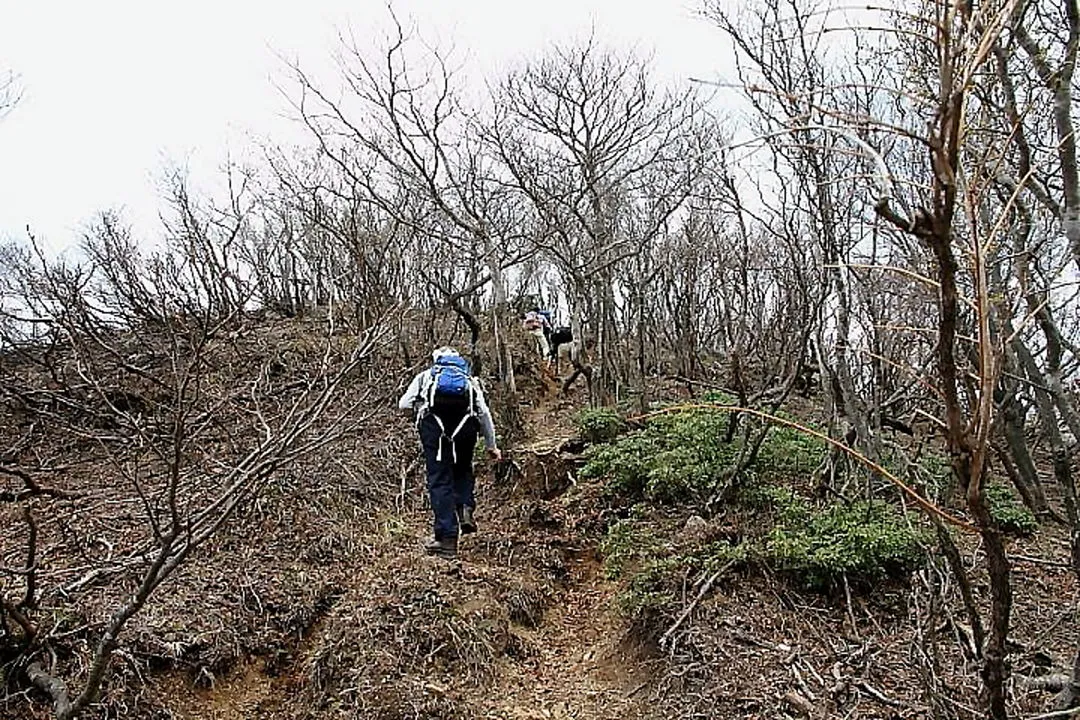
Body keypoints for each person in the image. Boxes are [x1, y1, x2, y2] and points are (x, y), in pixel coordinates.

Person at [398, 347, 502, 559]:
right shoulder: (469, 380)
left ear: (436, 360)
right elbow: (483, 413)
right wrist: (492, 445)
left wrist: (417, 414)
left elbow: (403, 405)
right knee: (463, 469)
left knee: (440, 480)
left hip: (435, 431)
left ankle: (446, 540)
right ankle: (465, 507)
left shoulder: (425, 377)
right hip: (466, 429)